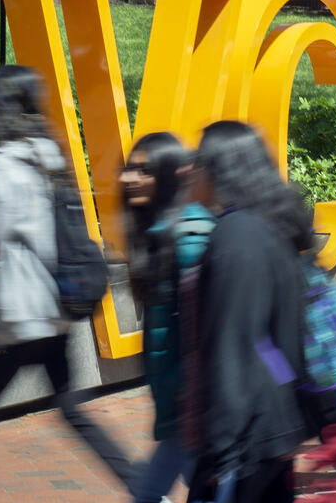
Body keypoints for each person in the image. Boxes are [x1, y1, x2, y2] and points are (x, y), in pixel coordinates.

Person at [0, 65, 138, 503]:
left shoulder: (5, 163)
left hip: (23, 317)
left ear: (2, 106)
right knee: (71, 409)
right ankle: (141, 484)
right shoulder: (50, 155)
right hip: (58, 310)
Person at [189, 120, 311, 503]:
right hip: (274, 423)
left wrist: (223, 448)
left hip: (248, 436)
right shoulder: (269, 225)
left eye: (197, 161)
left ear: (218, 169)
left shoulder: (236, 236)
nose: (190, 171)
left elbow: (235, 343)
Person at [119, 131, 215, 503]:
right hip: (180, 408)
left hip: (195, 408)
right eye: (128, 168)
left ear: (171, 175)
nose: (128, 178)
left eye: (144, 170)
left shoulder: (189, 236)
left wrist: (190, 390)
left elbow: (210, 327)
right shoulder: (158, 235)